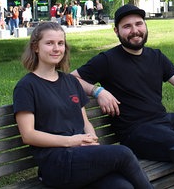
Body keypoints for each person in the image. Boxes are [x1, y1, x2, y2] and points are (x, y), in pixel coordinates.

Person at [71, 4, 174, 189]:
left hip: (164, 121)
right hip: (136, 132)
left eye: (139, 24)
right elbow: (71, 79)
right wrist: (98, 91)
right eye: (127, 26)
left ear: (145, 26)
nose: (135, 31)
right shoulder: (107, 60)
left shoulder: (156, 56)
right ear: (116, 31)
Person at [13, 22, 153, 189]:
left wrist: (92, 142)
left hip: (81, 156)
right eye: (49, 43)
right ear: (36, 47)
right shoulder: (27, 86)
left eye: (60, 43)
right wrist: (71, 141)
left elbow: (85, 122)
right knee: (123, 153)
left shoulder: (71, 81)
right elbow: (28, 135)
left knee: (122, 186)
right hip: (56, 163)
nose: (56, 48)